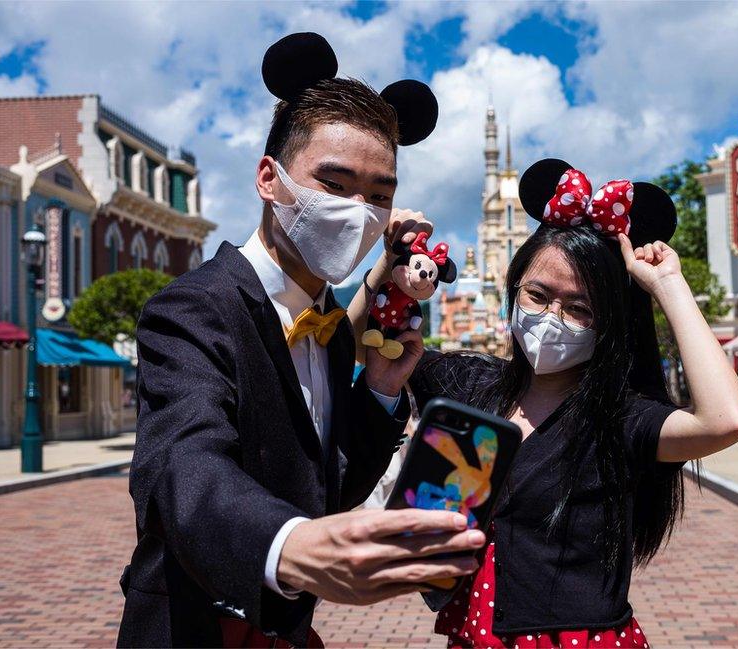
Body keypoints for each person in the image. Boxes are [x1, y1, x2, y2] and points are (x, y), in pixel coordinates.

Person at [117, 33, 486, 648]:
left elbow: (331, 484)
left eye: (379, 196)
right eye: (334, 185)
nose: (357, 211)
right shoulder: (192, 308)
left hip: (288, 631)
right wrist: (290, 544)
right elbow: (182, 466)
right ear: (269, 178)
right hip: (192, 629)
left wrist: (379, 391)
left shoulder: (333, 328)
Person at [349, 159, 738, 648]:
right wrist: (385, 262)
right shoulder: (473, 385)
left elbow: (726, 420)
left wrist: (668, 285)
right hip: (476, 634)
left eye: (579, 307)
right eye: (537, 295)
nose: (551, 318)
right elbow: (357, 346)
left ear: (609, 323)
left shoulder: (619, 420)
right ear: (514, 289)